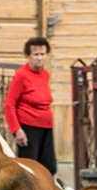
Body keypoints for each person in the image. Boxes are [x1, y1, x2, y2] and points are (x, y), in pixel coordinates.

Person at [4, 35, 57, 176]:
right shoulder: (21, 75)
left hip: (46, 125)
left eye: (42, 54)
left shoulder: (45, 74)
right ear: (28, 56)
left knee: (49, 166)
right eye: (36, 54)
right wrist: (17, 130)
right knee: (29, 167)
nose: (39, 58)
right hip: (28, 126)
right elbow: (9, 104)